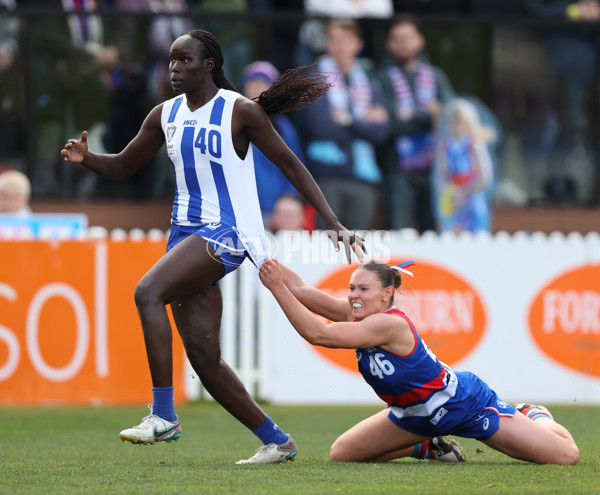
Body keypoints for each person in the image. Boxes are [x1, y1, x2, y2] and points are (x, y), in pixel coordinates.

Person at [61, 28, 364, 464]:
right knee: (204, 357)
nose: (174, 69)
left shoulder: (239, 110)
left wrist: (333, 222)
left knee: (148, 292)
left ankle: (163, 415)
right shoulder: (163, 114)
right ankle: (277, 441)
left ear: (209, 65)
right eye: (170, 60)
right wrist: (86, 158)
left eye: (185, 60)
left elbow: (290, 164)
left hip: (227, 232)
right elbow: (125, 164)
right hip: (185, 233)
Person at [258, 258, 580, 465]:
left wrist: (274, 286)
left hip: (463, 405)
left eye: (364, 289)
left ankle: (533, 414)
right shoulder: (354, 312)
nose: (354, 295)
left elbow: (319, 334)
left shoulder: (389, 323)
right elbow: (300, 287)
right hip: (412, 417)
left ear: (386, 295)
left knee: (566, 455)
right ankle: (427, 446)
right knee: (342, 454)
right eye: (351, 288)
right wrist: (259, 254)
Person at [295, 18, 390, 231]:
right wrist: (363, 121)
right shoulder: (313, 80)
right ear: (327, 45)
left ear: (358, 44)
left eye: (345, 40)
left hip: (363, 177)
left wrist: (346, 120)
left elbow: (381, 132)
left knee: (357, 248)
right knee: (326, 246)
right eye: (334, 40)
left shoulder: (370, 81)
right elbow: (321, 127)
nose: (340, 46)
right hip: (325, 177)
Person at [377, 14, 455, 232]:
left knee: (434, 231)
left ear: (420, 40)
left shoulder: (436, 76)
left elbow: (450, 117)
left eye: (408, 37)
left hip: (434, 167)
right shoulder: (381, 78)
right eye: (397, 39)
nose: (403, 44)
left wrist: (409, 115)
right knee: (399, 232)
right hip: (397, 167)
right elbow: (388, 124)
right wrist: (428, 116)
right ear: (389, 44)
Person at [241, 61, 305, 227]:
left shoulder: (283, 127)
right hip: (238, 209)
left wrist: (289, 199)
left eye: (263, 84)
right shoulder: (232, 122)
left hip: (274, 211)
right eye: (252, 83)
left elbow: (295, 166)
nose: (257, 88)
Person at [434, 98, 496, 233]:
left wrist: (464, 192)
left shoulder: (474, 144)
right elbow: (443, 175)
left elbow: (485, 178)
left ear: (467, 122)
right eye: (451, 120)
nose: (454, 124)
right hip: (453, 201)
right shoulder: (445, 145)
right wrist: (448, 195)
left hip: (471, 202)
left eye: (458, 120)